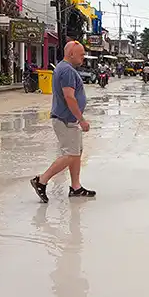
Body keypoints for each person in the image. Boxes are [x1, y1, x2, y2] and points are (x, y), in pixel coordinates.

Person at [31, 41, 95, 203]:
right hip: (66, 120)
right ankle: (41, 180)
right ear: (71, 54)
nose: (83, 57)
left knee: (75, 153)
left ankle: (76, 187)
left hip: (68, 120)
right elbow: (69, 97)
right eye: (81, 54)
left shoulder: (65, 68)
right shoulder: (66, 70)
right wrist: (81, 119)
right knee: (70, 154)